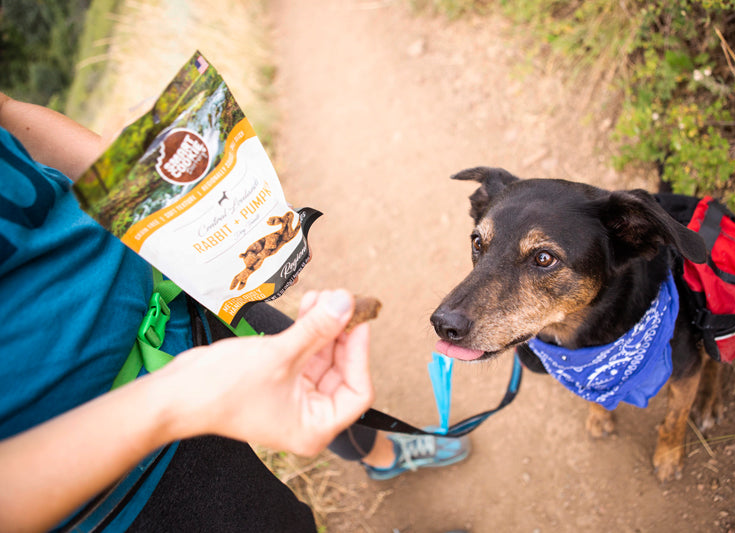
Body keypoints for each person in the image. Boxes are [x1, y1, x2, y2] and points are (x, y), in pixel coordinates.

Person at [0, 92, 468, 532]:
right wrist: (175, 402)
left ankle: (381, 453)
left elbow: (7, 112)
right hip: (114, 486)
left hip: (173, 301)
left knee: (314, 372)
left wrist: (159, 205)